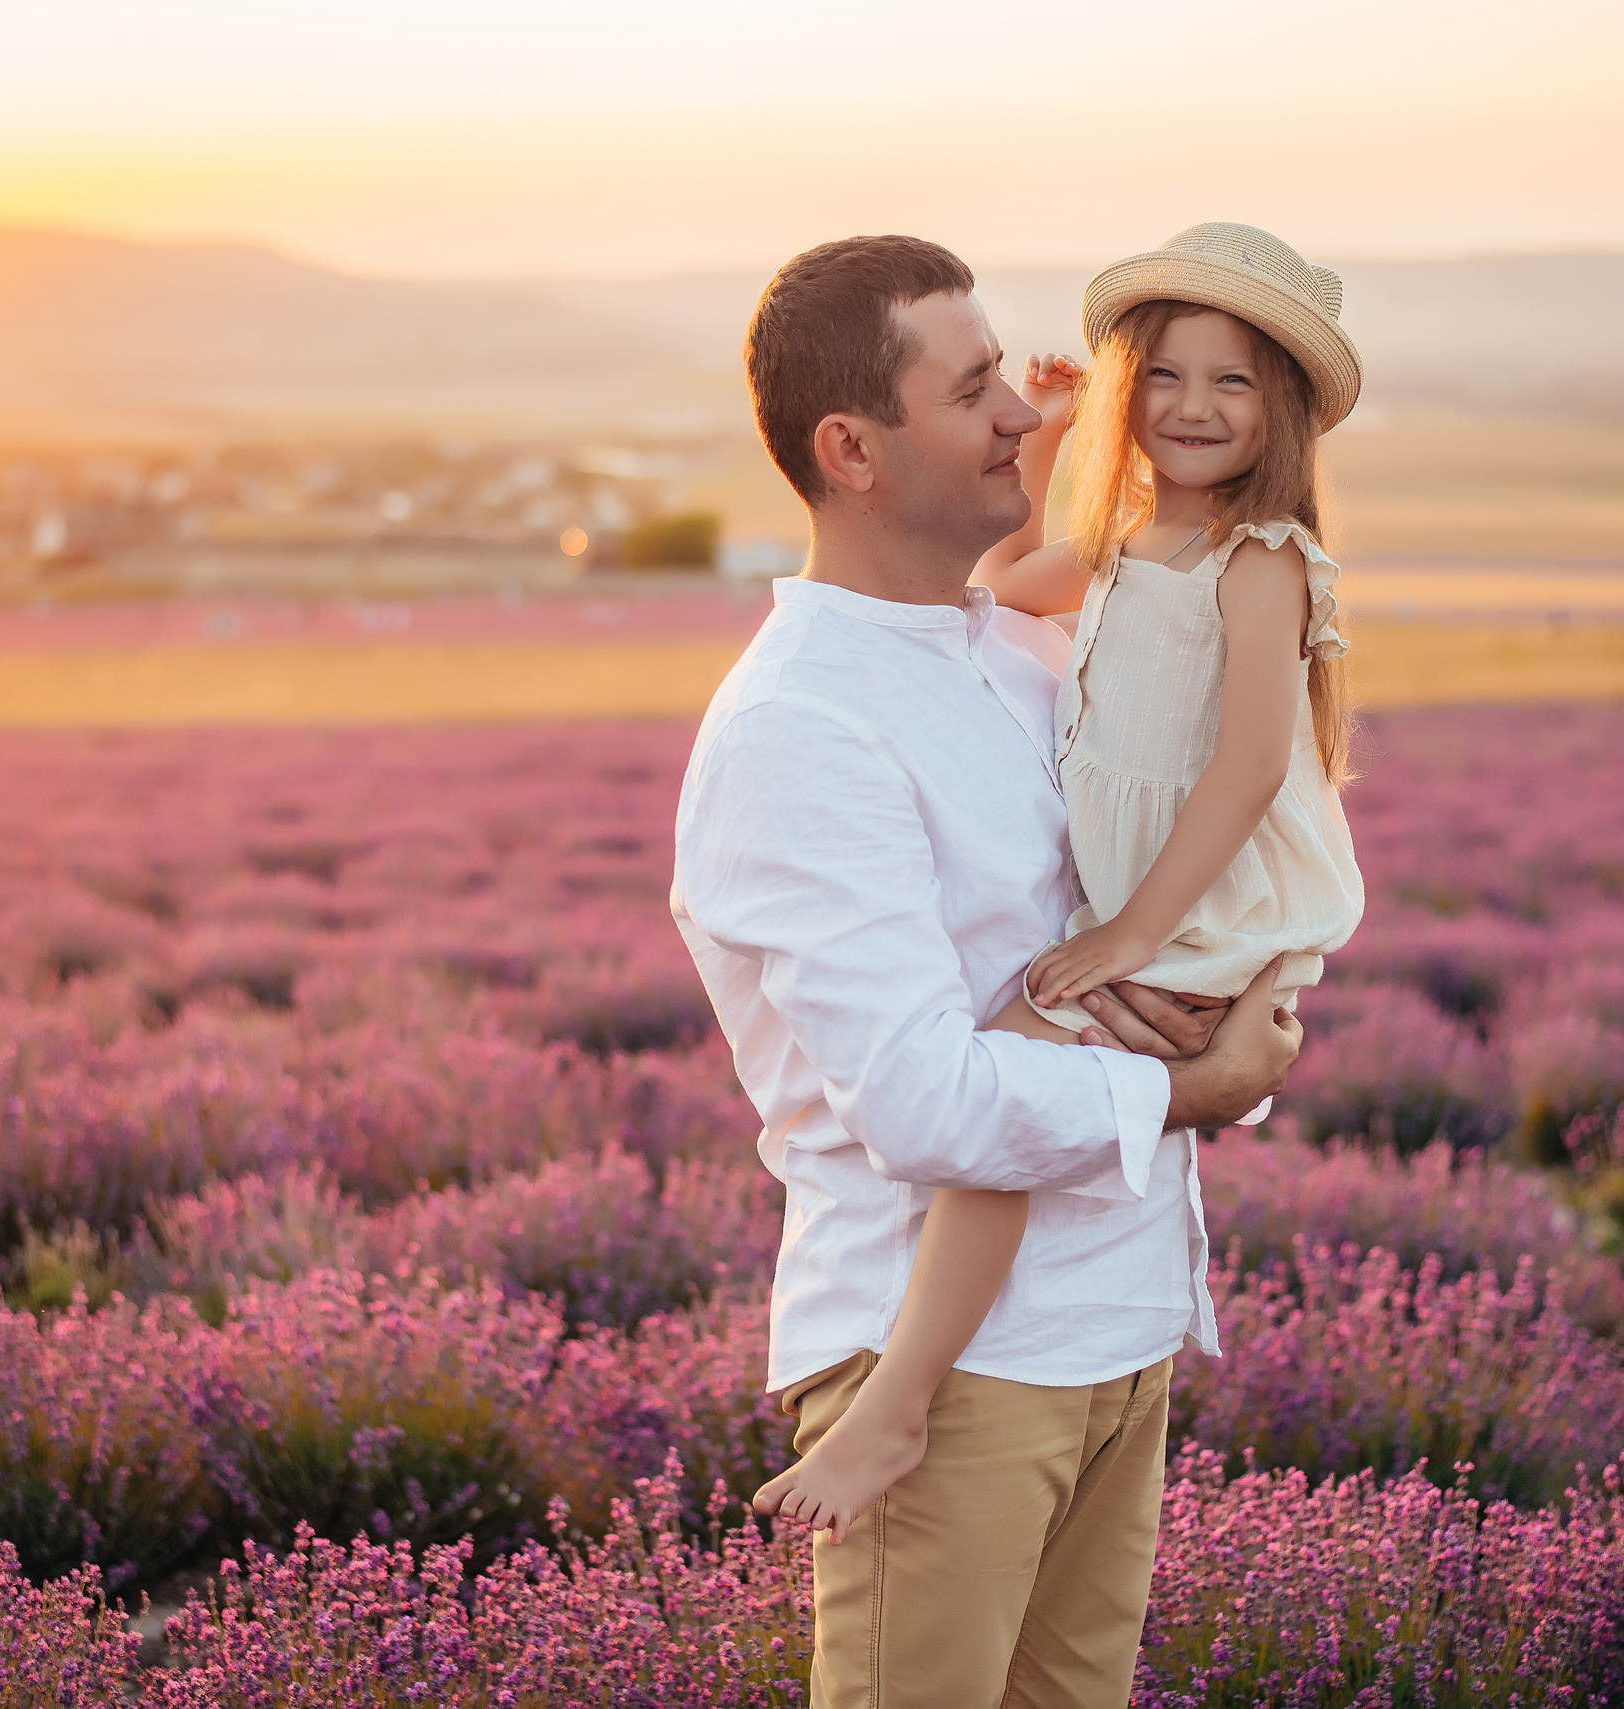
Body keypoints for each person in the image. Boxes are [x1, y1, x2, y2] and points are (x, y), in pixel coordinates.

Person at [670, 234, 1303, 1709]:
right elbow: (929, 1103)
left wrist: (1229, 1022)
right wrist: (1195, 1089)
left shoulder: (1014, 653)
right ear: (854, 449)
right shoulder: (804, 726)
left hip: (1121, 1322)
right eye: (973, 392)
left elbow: (1174, 915)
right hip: (953, 1377)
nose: (1027, 414)